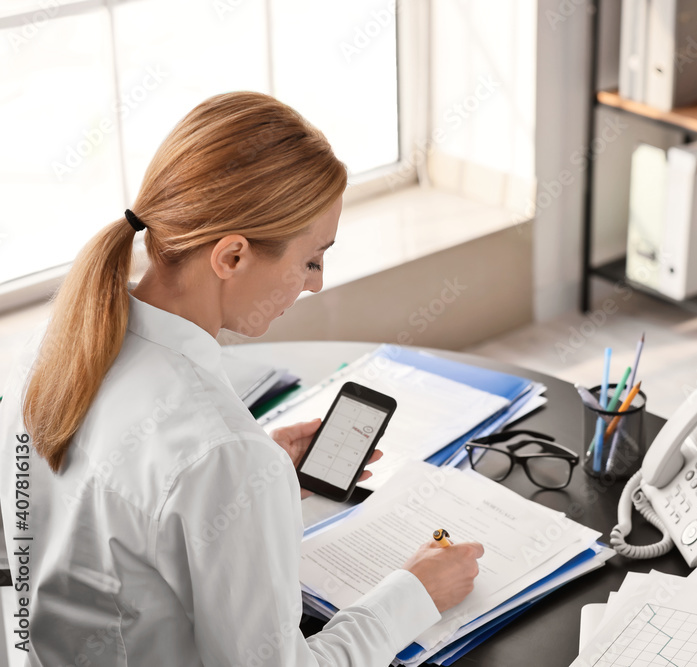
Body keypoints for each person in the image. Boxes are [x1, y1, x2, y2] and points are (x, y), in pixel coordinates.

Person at [0, 91, 484, 666]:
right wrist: (413, 595)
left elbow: (106, 518)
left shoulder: (52, 344)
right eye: (311, 259)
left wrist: (260, 482)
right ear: (231, 256)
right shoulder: (219, 451)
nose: (317, 284)